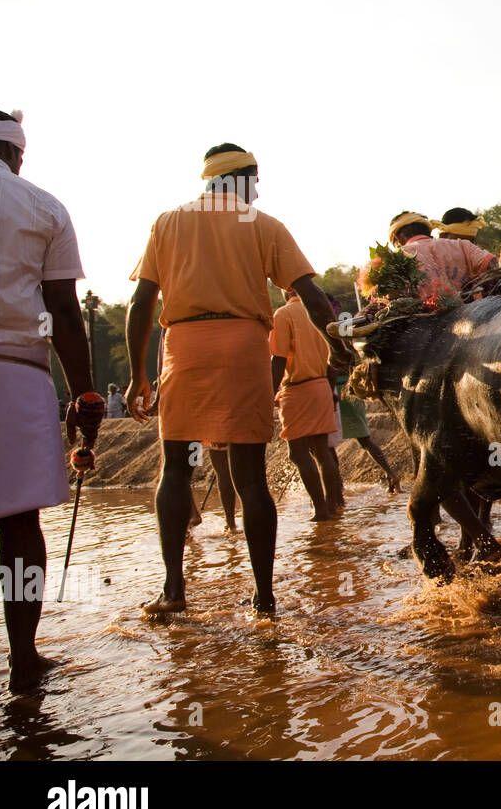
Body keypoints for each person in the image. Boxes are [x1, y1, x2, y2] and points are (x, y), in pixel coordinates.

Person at [125, 143, 342, 615]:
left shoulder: (168, 222)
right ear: (241, 178)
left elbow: (141, 303)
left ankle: (173, 591)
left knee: (177, 469)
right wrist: (339, 348)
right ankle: (264, 598)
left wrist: (137, 376)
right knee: (251, 478)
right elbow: (314, 295)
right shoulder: (264, 226)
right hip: (244, 347)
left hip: (184, 349)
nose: (258, 191)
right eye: (255, 180)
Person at [0, 108, 103, 692]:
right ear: (16, 154)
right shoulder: (43, 206)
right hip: (13, 371)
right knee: (18, 525)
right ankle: (24, 659)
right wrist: (84, 391)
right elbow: (63, 309)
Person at [272, 288, 345, 521]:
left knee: (298, 453)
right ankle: (333, 505)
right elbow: (335, 357)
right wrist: (330, 389)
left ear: (286, 291)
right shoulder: (320, 314)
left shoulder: (283, 315)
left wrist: (269, 393)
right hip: (323, 385)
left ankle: (320, 509)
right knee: (322, 451)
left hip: (297, 388)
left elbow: (278, 359)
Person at [388, 211, 496, 301]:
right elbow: (494, 264)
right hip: (470, 317)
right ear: (427, 230)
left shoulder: (396, 257)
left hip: (425, 323)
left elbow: (391, 296)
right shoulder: (462, 244)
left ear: (398, 239)